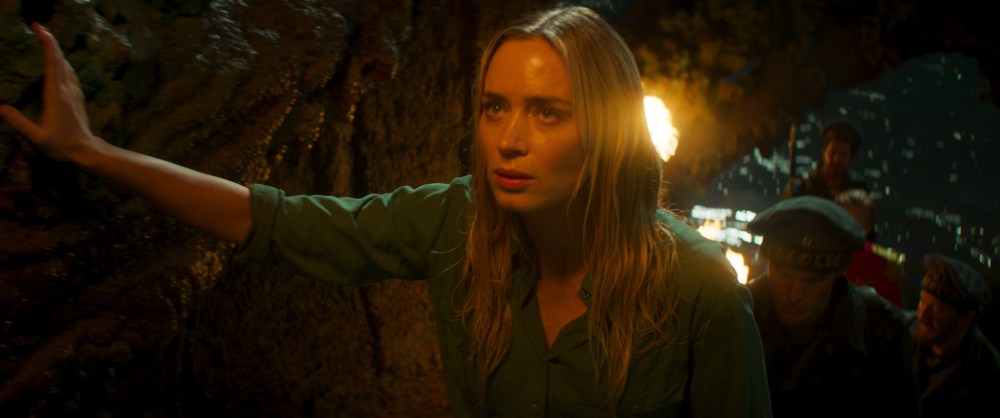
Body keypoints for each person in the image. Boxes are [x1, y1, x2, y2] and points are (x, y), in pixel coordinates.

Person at [0, 6, 773, 417]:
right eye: (494, 107)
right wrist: (93, 152)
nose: (508, 139)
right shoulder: (456, 223)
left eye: (547, 113)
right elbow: (276, 221)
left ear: (607, 130)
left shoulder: (697, 286)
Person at [745, 196, 920, 417]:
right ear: (768, 265)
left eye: (812, 281)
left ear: (839, 273)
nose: (795, 294)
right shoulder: (734, 316)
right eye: (784, 276)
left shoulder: (881, 330)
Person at [912, 254, 1000, 418]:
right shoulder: (901, 335)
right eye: (922, 301)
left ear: (966, 318)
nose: (922, 315)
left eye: (935, 308)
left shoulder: (987, 374)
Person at [835, 188, 906, 308]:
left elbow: (894, 310)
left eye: (856, 223)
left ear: (869, 226)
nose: (848, 228)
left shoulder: (884, 263)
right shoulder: (816, 251)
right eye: (843, 220)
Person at [783, 120, 869, 200]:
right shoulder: (804, 185)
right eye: (832, 152)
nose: (836, 159)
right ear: (824, 152)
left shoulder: (858, 191)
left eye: (843, 154)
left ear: (851, 158)